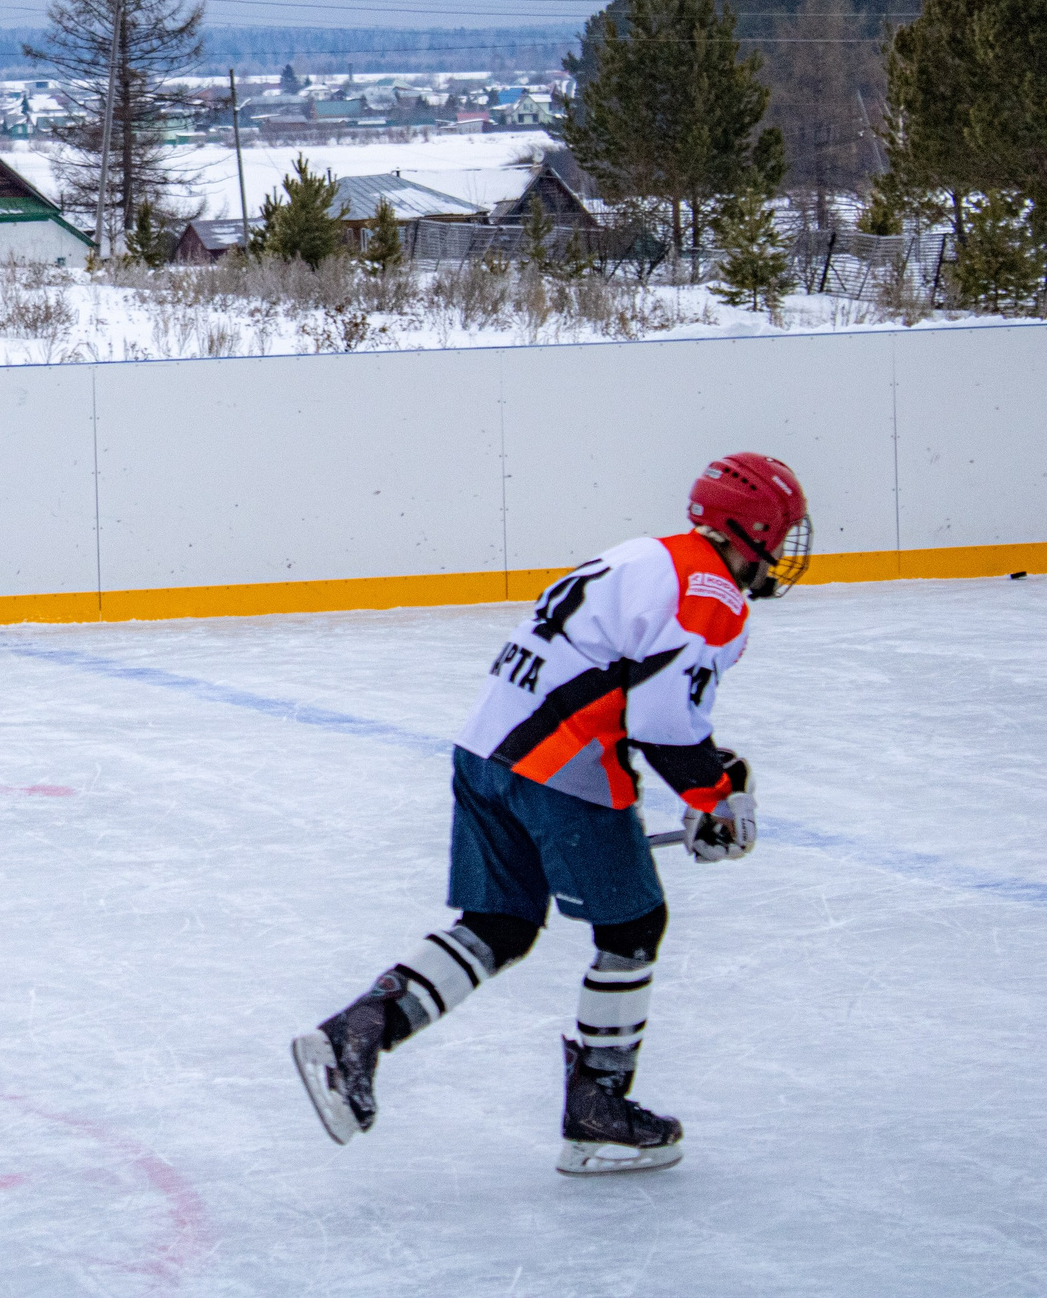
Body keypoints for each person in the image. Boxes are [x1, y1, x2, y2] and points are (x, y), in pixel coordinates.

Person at [292, 452, 811, 1176]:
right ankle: (598, 1116)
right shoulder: (712, 592)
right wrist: (714, 797)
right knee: (632, 928)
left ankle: (354, 1035)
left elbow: (631, 690)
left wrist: (713, 780)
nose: (784, 550)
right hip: (561, 765)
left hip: (485, 750)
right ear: (754, 530)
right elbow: (662, 721)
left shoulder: (644, 555)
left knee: (499, 925)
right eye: (782, 533)